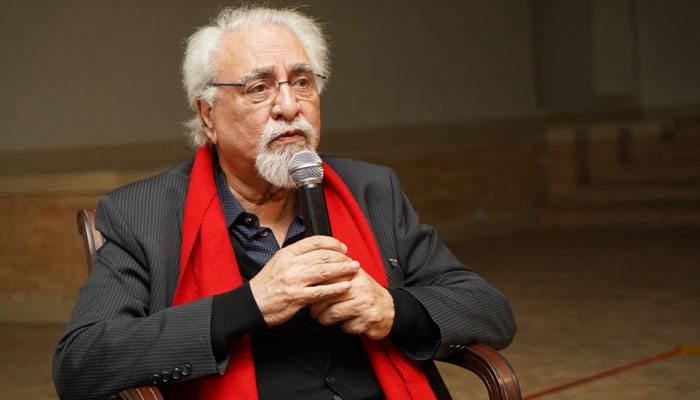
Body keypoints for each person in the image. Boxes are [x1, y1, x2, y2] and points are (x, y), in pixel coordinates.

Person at [52, 6, 515, 400]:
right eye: (259, 88)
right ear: (208, 114)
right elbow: (81, 362)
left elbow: (489, 311)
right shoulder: (144, 213)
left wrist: (392, 308)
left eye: (302, 82)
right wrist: (248, 305)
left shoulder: (371, 189)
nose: (288, 106)